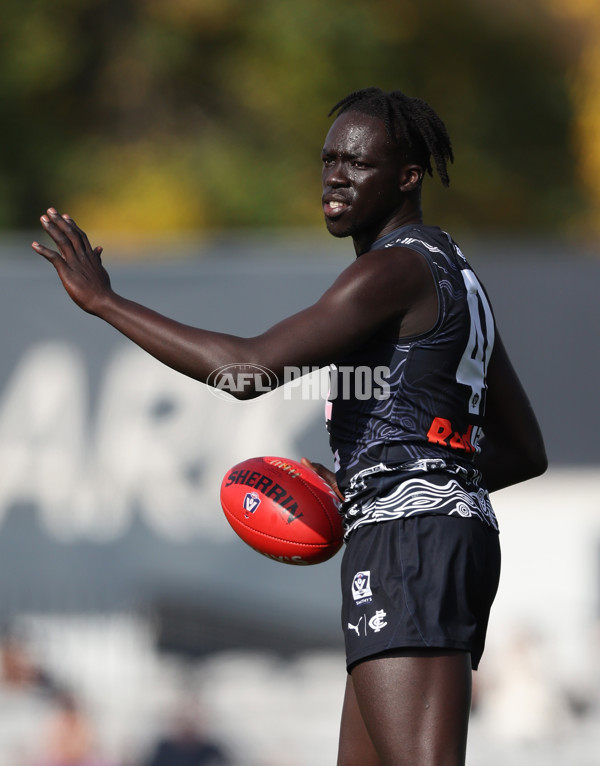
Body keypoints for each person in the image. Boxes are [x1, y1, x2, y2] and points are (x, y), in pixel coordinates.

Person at [32, 87, 547, 766]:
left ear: (407, 177)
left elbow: (247, 371)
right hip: (432, 538)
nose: (334, 176)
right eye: (328, 159)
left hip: (410, 547)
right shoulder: (455, 273)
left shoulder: (393, 268)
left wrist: (106, 302)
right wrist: (391, 479)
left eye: (357, 163)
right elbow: (524, 450)